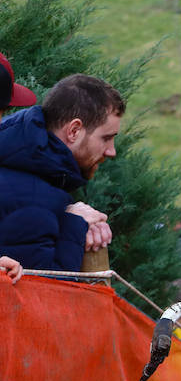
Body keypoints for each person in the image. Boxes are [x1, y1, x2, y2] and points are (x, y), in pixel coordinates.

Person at [0, 74, 121, 271]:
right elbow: (44, 292)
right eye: (106, 138)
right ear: (74, 131)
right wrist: (75, 224)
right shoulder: (33, 200)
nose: (111, 151)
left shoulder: (29, 173)